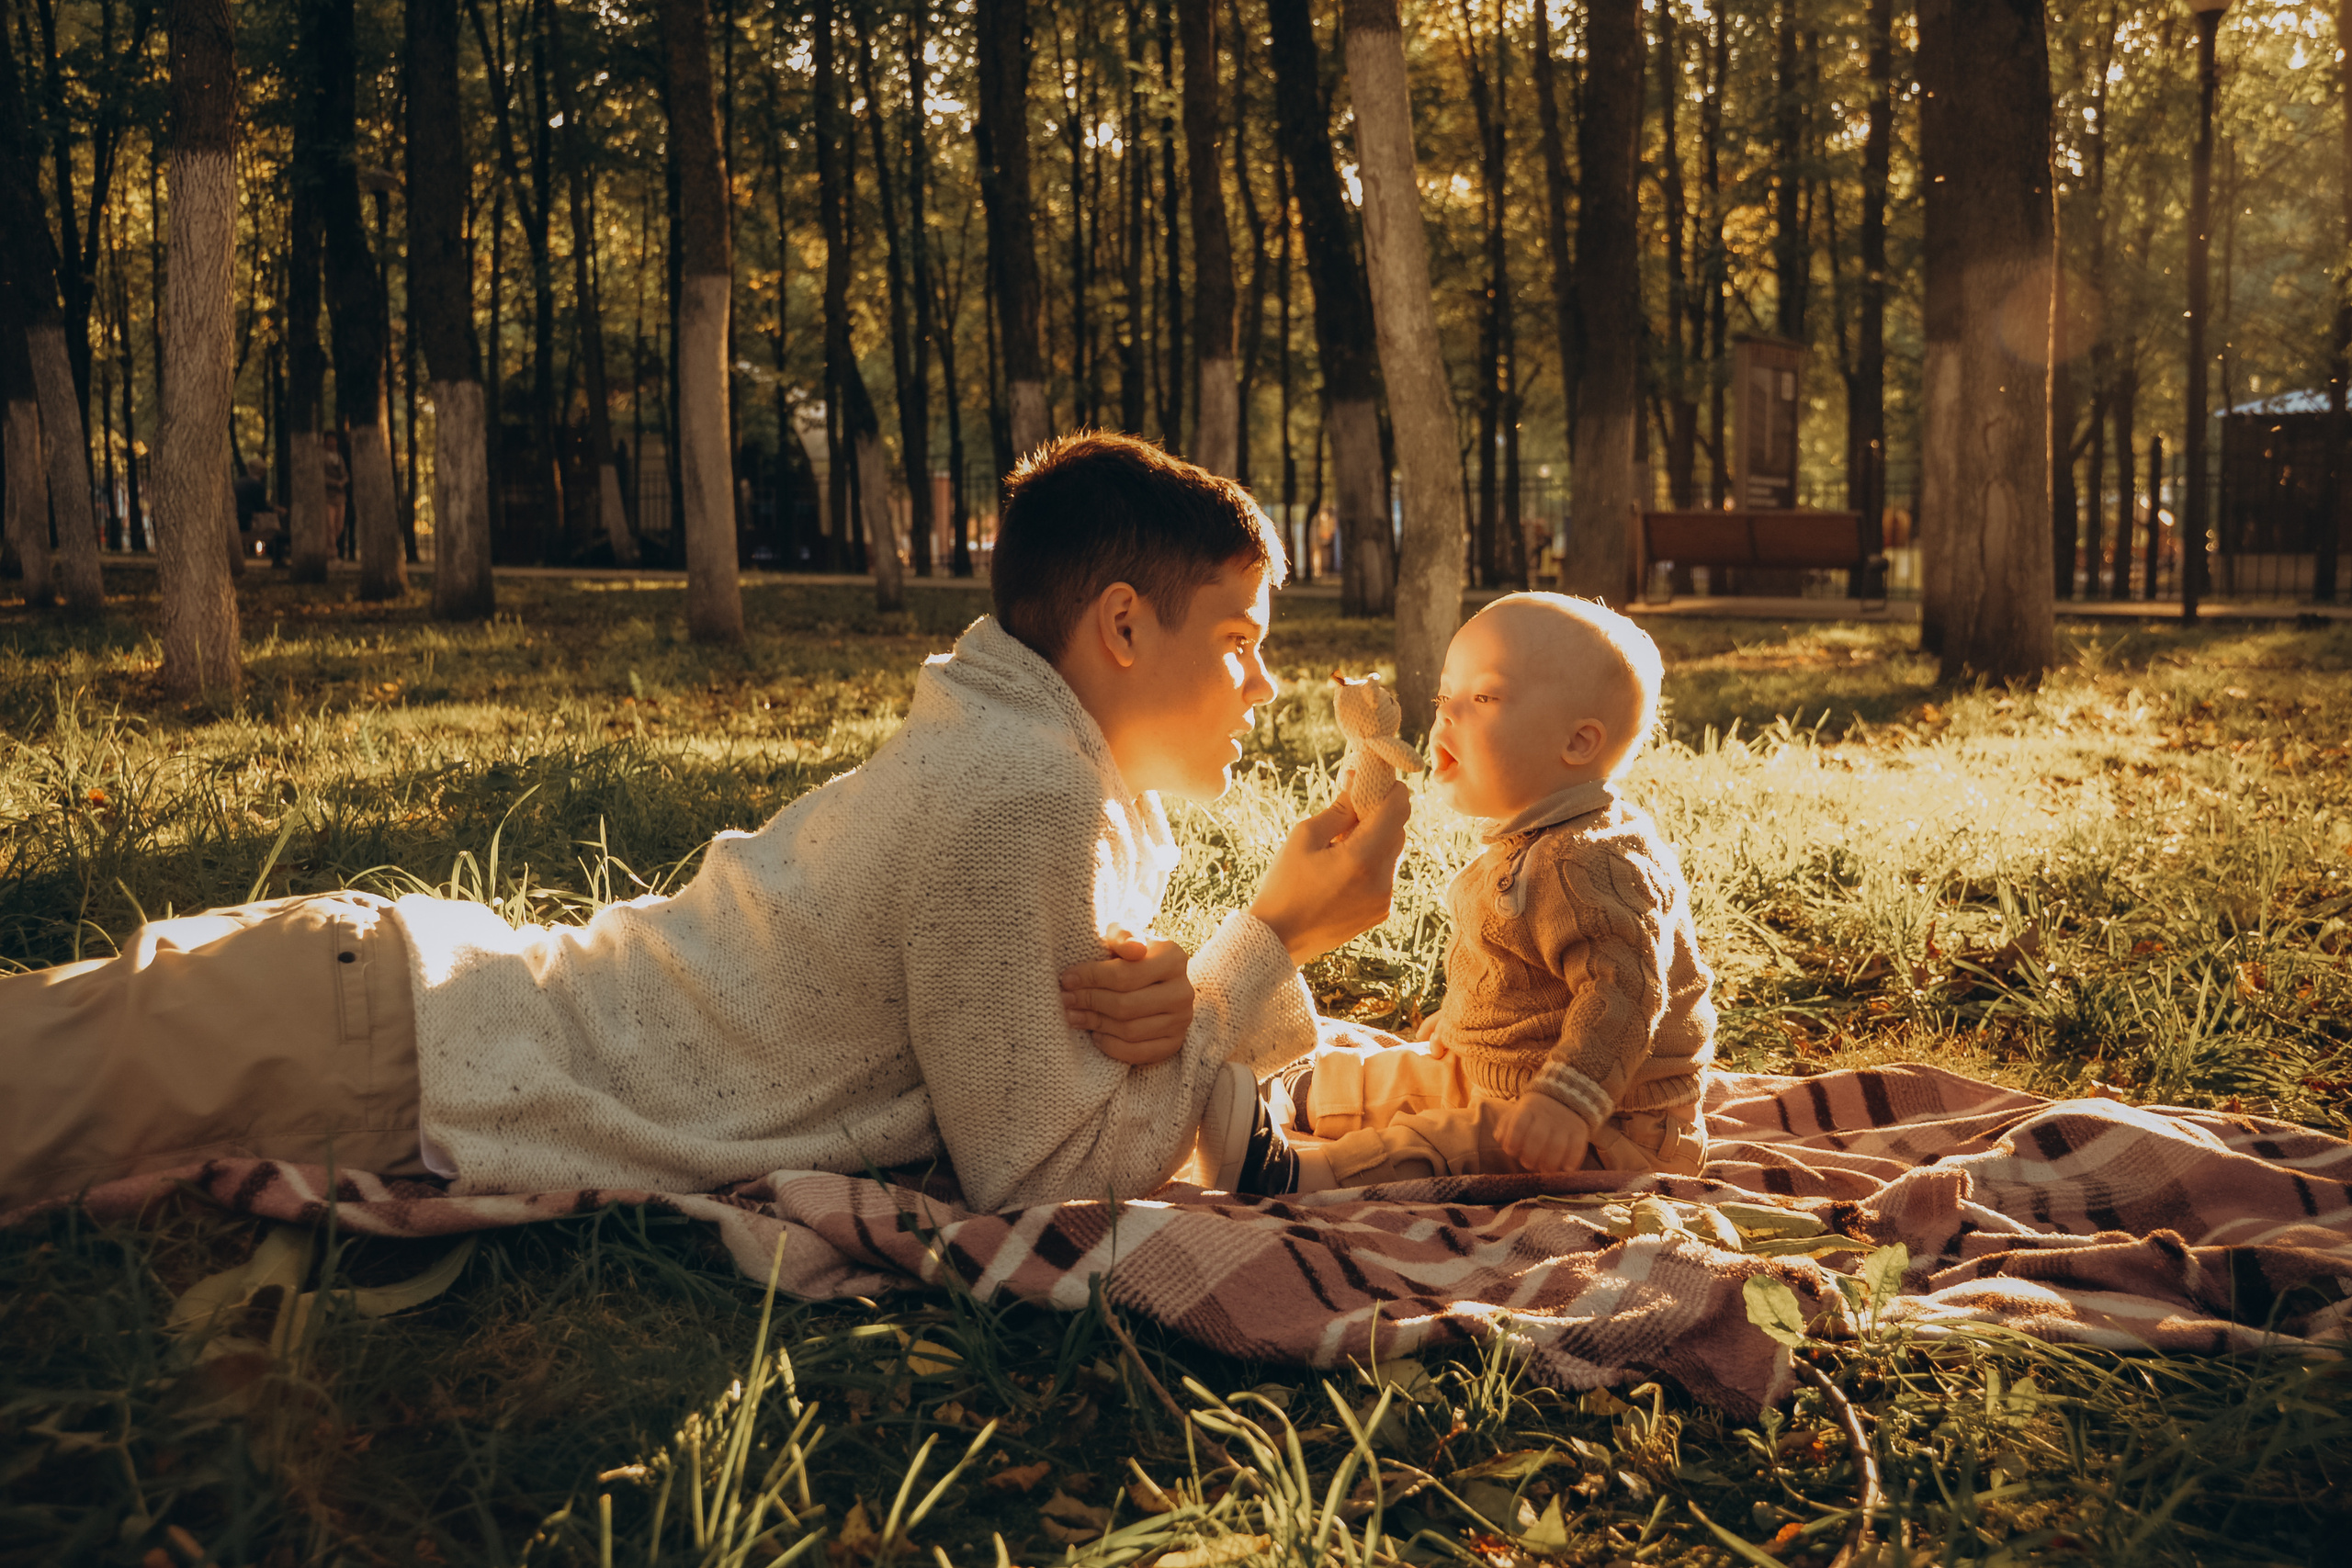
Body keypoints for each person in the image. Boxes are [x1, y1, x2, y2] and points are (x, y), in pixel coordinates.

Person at [0, 434, 1411, 1214]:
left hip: (386, 1009)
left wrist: (1197, 988)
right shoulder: (1022, 785)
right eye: (1240, 638)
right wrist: (1273, 937)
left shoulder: (1030, 755)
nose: (1263, 683)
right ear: (1122, 627)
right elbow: (1043, 1179)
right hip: (381, 1046)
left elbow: (1052, 1078)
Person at [1191, 592, 1715, 1193]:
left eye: (1484, 698)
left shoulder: (1593, 861)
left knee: (1451, 1143)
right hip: (1516, 1071)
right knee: (1413, 1073)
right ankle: (1297, 1091)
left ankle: (1294, 1175)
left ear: (1577, 743)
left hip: (1613, 1125)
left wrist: (1568, 1100)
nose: (1445, 717)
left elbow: (1625, 995)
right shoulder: (1538, 838)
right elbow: (1530, 972)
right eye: (1445, 698)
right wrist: (1472, 1017)